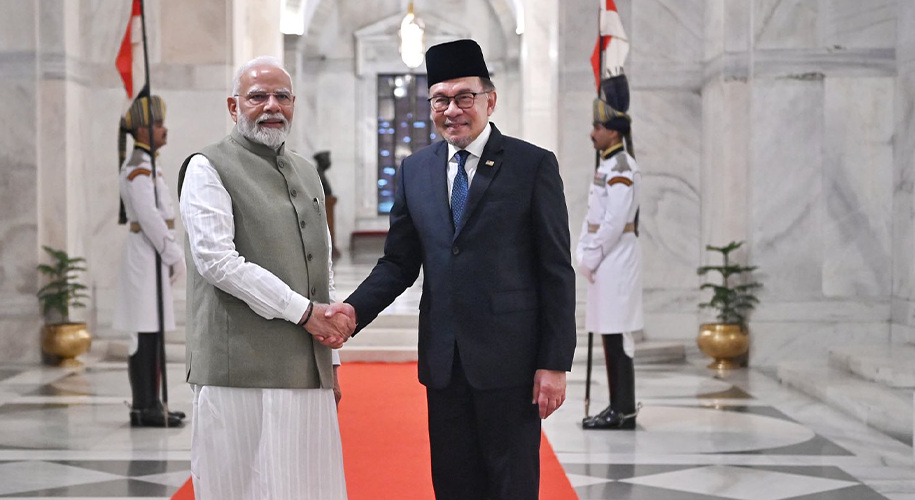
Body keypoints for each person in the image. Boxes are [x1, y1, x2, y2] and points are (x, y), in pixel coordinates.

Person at [330, 39, 576, 499]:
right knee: (453, 483)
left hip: (512, 363)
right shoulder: (415, 171)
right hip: (444, 362)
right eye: (440, 100)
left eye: (464, 97)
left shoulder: (532, 165)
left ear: (490, 100)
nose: (452, 110)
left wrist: (554, 363)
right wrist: (350, 312)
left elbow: (556, 271)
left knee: (512, 483)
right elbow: (399, 263)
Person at [177, 56, 349, 500]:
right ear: (234, 107)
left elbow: (320, 266)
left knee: (307, 486)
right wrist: (305, 313)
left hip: (306, 367)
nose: (272, 106)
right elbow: (218, 261)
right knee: (238, 486)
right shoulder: (207, 167)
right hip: (238, 369)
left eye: (282, 96)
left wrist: (331, 363)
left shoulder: (306, 170)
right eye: (258, 96)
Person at [113, 91, 188, 428]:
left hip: (151, 254)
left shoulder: (147, 167)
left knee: (153, 334)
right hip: (147, 255)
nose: (164, 130)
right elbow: (150, 219)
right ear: (142, 132)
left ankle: (152, 403)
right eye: (158, 124)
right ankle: (144, 407)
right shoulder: (138, 171)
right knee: (145, 335)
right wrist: (174, 254)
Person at [578, 74, 643, 430]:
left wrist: (590, 255)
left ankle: (623, 409)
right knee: (610, 332)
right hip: (607, 258)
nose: (593, 132)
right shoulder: (609, 164)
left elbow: (615, 221)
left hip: (615, 258)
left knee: (618, 335)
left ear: (614, 132)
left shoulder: (621, 168)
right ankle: (620, 406)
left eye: (597, 127)